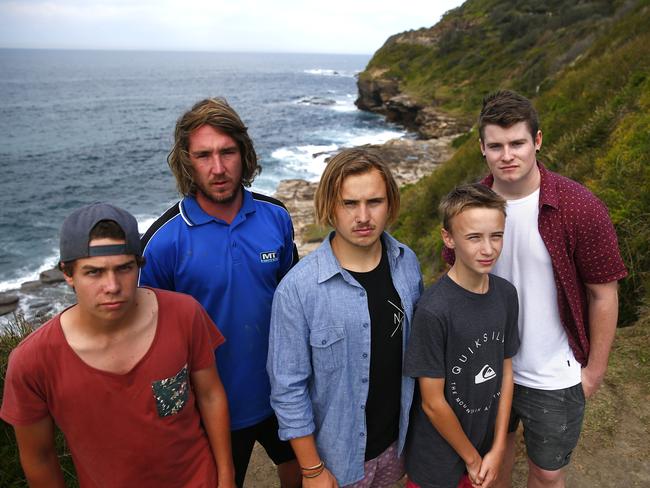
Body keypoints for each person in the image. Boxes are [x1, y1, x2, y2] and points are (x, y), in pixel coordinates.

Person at [445, 90, 627, 488]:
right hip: (489, 366)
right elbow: (458, 287)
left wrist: (594, 372)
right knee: (492, 466)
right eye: (496, 145)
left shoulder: (579, 207)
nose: (507, 155)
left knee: (547, 473)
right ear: (482, 148)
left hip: (555, 370)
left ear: (537, 142)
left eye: (517, 143)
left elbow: (604, 293)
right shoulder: (469, 209)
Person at [1, 202, 235, 487]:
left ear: (139, 264)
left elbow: (211, 396)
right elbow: (39, 458)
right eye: (94, 272)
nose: (112, 286)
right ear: (67, 273)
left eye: (124, 268)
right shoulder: (32, 361)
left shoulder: (185, 314)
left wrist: (226, 477)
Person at [139, 97, 300, 488]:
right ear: (186, 162)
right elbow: (147, 338)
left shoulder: (276, 217)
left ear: (244, 154)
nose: (218, 167)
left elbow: (293, 300)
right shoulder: (162, 242)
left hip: (283, 393)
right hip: (209, 408)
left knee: (298, 473)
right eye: (204, 155)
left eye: (228, 152)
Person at [268, 148, 423, 487]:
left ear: (391, 204)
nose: (363, 216)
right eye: (349, 203)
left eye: (374, 202)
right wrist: (311, 469)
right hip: (335, 461)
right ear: (329, 207)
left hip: (397, 450)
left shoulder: (407, 263)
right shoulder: (298, 288)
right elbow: (287, 388)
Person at [404, 184, 519, 488]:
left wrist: (498, 446)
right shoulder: (433, 310)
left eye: (496, 235)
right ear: (448, 238)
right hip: (437, 462)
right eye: (473, 237)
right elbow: (432, 403)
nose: (488, 248)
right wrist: (473, 459)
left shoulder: (506, 295)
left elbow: (506, 372)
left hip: (485, 447)